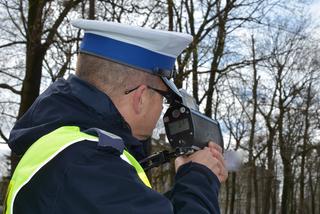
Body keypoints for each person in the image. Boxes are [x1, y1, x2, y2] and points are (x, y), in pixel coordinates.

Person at [4, 19, 228, 214]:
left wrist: (189, 179)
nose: (162, 108)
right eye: (164, 97)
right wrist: (200, 178)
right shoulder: (85, 163)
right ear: (140, 97)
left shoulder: (73, 152)